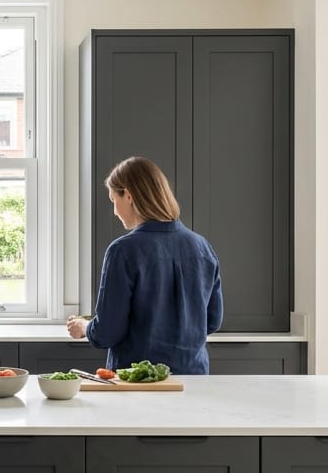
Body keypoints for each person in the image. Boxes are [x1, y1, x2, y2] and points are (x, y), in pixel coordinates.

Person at [67, 156, 222, 374]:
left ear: (128, 196)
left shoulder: (123, 250)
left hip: (138, 380)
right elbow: (212, 321)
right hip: (193, 378)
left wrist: (85, 327)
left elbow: (107, 332)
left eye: (114, 201)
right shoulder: (202, 247)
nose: (114, 211)